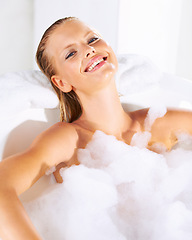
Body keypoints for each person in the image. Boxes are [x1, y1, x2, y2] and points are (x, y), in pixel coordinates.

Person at [0, 16, 192, 240]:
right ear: (61, 83)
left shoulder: (158, 122)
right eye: (70, 53)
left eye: (92, 39)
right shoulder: (69, 139)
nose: (88, 50)